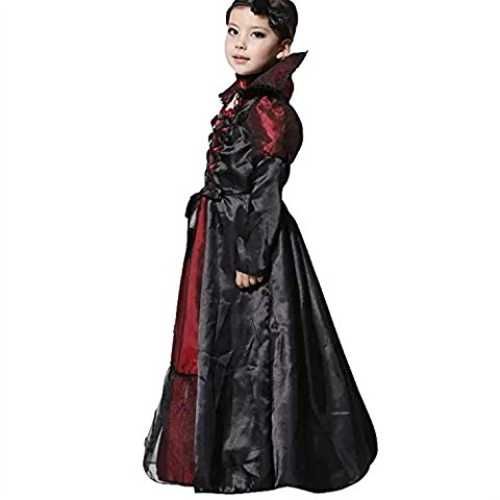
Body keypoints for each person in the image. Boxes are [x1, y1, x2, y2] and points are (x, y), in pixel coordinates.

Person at [143, 0, 378, 493]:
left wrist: (250, 257)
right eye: (233, 31)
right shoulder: (245, 101)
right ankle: (213, 452)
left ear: (283, 47)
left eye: (256, 35)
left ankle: (247, 460)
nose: (240, 44)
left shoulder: (269, 110)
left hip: (246, 239)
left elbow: (267, 189)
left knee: (249, 344)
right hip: (218, 236)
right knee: (215, 338)